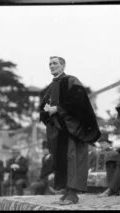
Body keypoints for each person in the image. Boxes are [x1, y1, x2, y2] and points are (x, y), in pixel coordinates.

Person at [39, 56, 101, 205]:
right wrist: (46, 111)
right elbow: (43, 108)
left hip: (71, 129)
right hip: (58, 130)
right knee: (61, 160)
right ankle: (67, 191)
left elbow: (79, 102)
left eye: (55, 63)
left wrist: (58, 109)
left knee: (72, 159)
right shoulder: (50, 87)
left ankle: (73, 194)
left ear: (63, 65)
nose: (51, 66)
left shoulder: (71, 81)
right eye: (50, 64)